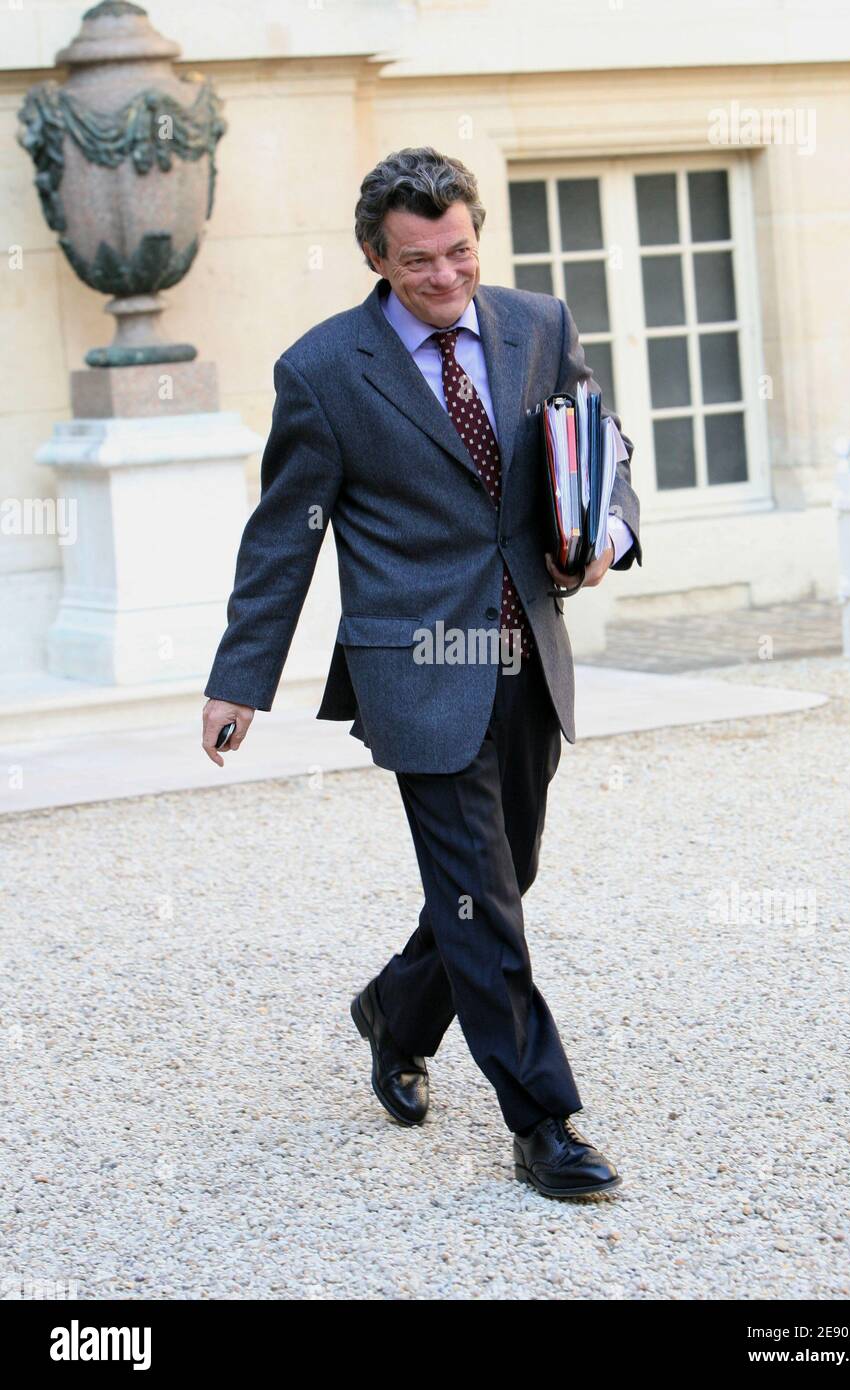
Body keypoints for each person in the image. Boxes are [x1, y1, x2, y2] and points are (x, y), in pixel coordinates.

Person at [201, 147, 642, 1198]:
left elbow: (598, 445)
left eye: (459, 252)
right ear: (373, 256)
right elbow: (285, 534)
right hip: (416, 667)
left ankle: (395, 1012)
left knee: (504, 875)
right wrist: (239, 677)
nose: (446, 278)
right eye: (418, 262)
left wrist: (608, 530)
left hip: (526, 649)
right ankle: (545, 1121)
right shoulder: (321, 371)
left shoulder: (539, 325)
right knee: (482, 896)